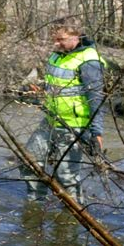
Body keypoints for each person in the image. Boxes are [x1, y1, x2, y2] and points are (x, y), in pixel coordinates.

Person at [20, 19, 106, 203]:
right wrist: (35, 91)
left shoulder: (89, 60)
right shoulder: (57, 55)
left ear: (76, 36)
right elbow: (55, 86)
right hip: (51, 121)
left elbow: (96, 99)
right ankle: (36, 203)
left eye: (61, 39)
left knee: (66, 176)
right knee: (29, 161)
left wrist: (96, 133)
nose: (56, 43)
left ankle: (73, 215)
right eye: (55, 39)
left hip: (75, 127)